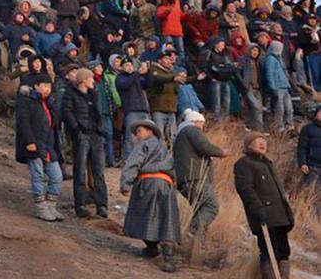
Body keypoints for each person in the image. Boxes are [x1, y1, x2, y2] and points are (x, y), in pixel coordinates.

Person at [120, 118, 180, 273]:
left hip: (148, 184)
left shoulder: (143, 145)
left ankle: (152, 247)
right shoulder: (164, 149)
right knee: (167, 219)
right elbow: (173, 169)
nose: (137, 135)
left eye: (139, 131)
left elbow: (133, 163)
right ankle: (168, 258)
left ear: (149, 131)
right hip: (166, 185)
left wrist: (126, 183)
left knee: (142, 216)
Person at [234, 132, 294, 279]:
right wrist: (258, 209)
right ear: (248, 145)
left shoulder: (268, 163)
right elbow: (246, 189)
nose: (262, 143)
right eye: (257, 141)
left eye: (264, 141)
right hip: (264, 215)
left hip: (279, 215)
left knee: (284, 251)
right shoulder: (244, 163)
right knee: (269, 251)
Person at [15, 75, 64, 222]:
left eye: (49, 86)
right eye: (44, 86)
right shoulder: (26, 101)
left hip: (49, 144)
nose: (47, 89)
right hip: (34, 143)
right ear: (36, 86)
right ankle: (41, 208)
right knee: (38, 176)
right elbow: (23, 123)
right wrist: (29, 141)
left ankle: (50, 205)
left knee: (57, 176)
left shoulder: (49, 102)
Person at [61, 67, 109, 219]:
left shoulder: (94, 94)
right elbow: (67, 112)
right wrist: (76, 129)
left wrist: (101, 130)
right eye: (90, 78)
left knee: (99, 172)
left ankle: (102, 205)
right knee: (80, 171)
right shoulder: (70, 93)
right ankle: (80, 204)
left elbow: (99, 113)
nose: (93, 81)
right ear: (83, 80)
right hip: (82, 135)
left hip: (96, 135)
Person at [172, 109, 227, 238]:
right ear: (196, 121)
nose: (203, 127)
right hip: (195, 177)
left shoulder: (181, 135)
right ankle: (194, 234)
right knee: (211, 206)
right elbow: (205, 147)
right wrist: (222, 152)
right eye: (202, 123)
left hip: (185, 180)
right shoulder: (191, 130)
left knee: (201, 208)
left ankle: (194, 242)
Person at [264, 41, 295, 134]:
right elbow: (269, 74)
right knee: (279, 109)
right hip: (277, 87)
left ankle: (290, 126)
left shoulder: (279, 58)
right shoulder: (270, 59)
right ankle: (279, 128)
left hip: (285, 86)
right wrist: (272, 87)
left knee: (289, 108)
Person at [296, 105, 321, 188]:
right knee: (311, 194)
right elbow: (302, 148)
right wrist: (302, 163)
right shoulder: (308, 129)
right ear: (316, 114)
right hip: (313, 167)